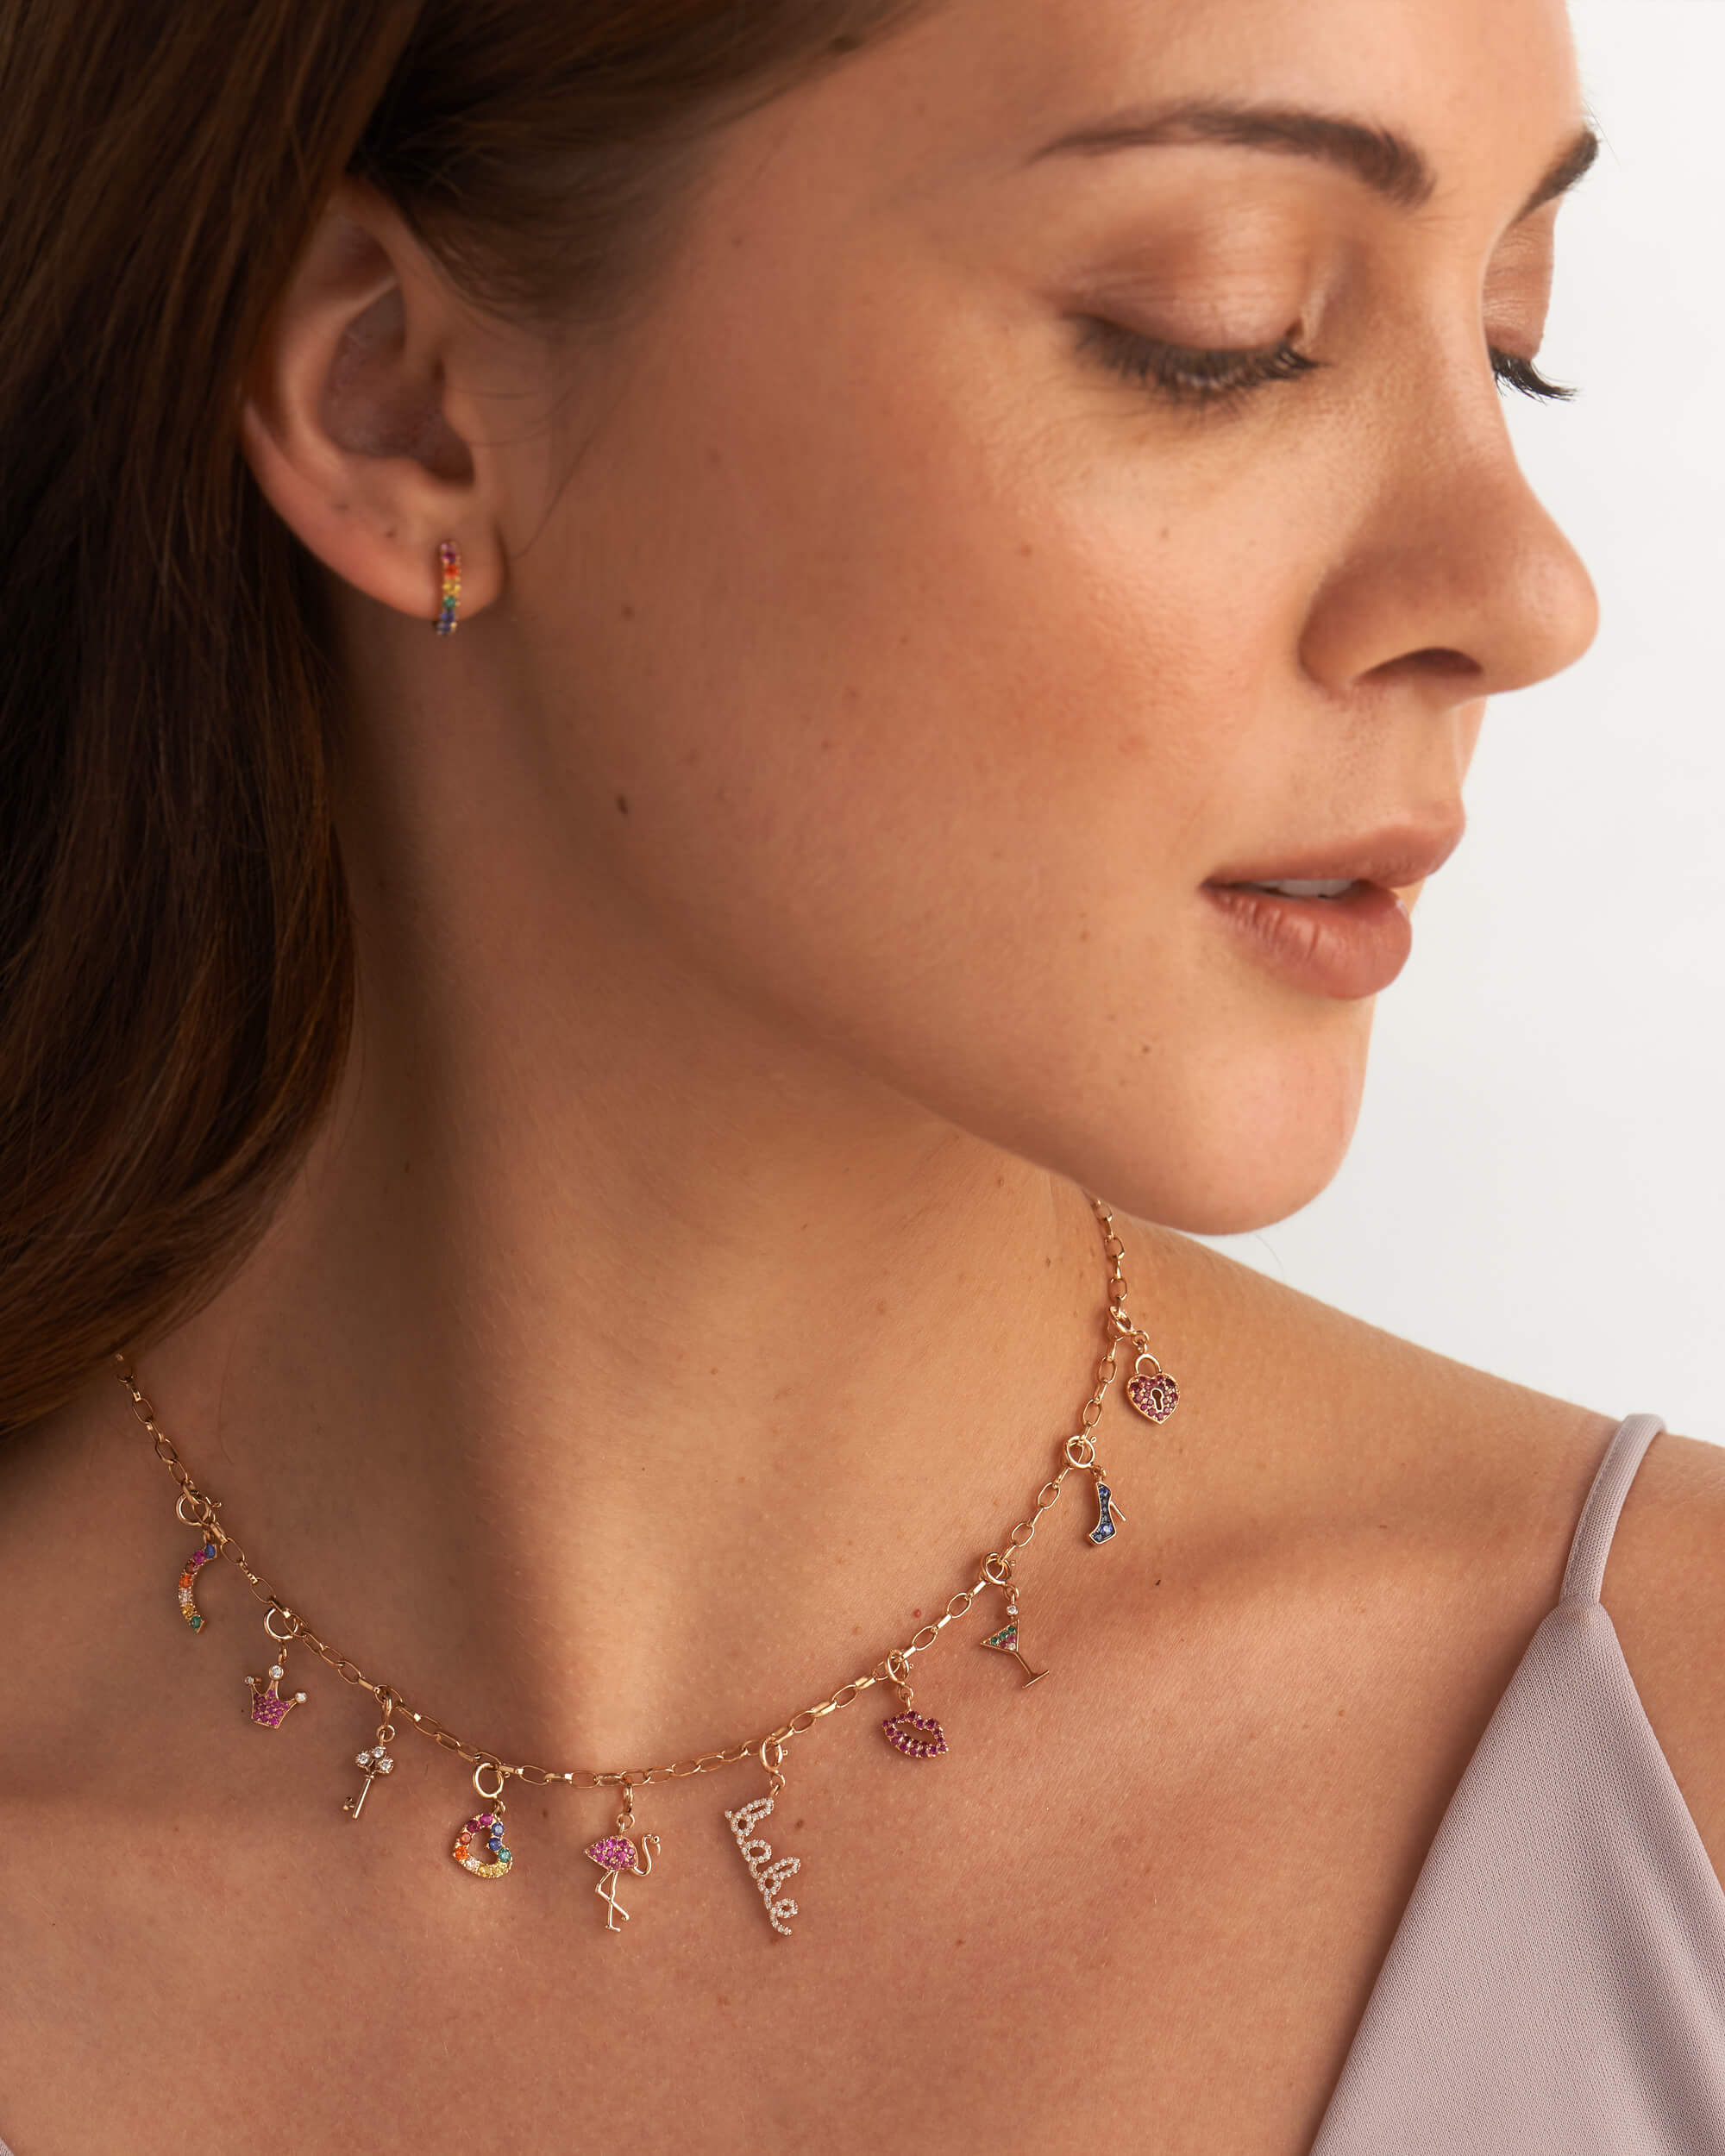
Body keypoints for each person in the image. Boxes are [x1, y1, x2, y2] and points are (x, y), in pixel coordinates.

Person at [1, 0, 1720, 2148]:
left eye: (1510, 338)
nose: (1525, 593)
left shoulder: (1680, 1790)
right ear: (397, 405)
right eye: (1222, 334)